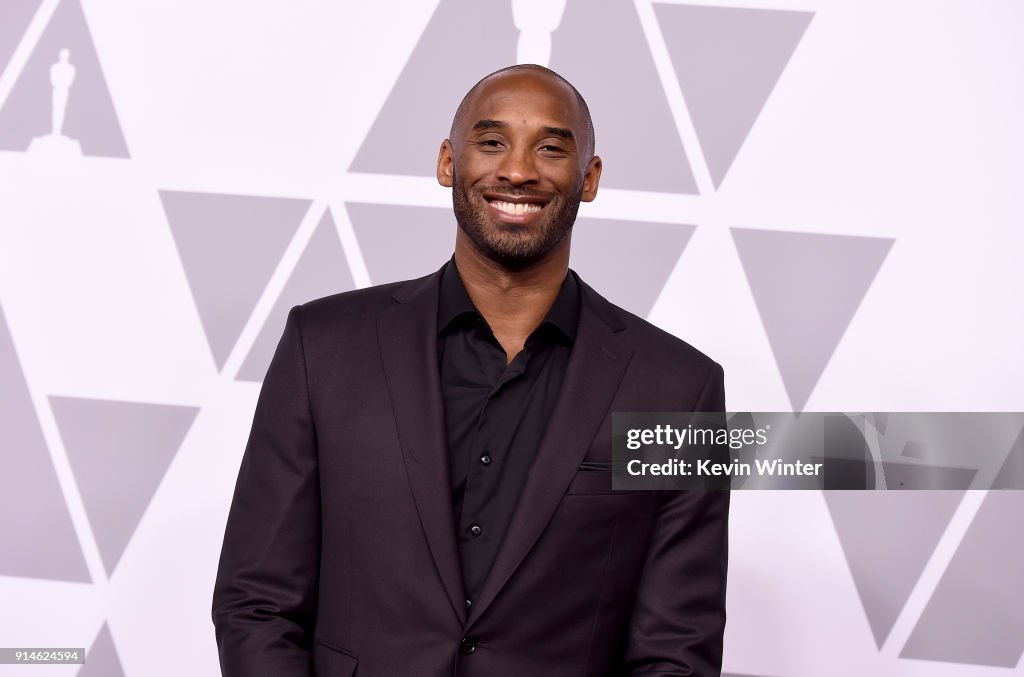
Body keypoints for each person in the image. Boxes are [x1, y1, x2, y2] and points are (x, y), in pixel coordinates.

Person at [212, 64, 729, 676]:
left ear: (589, 178)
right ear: (446, 163)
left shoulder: (680, 389)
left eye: (551, 147)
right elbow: (257, 603)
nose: (517, 169)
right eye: (490, 142)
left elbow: (677, 650)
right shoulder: (322, 347)